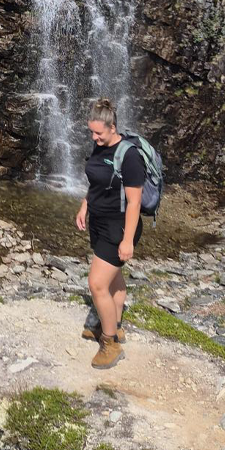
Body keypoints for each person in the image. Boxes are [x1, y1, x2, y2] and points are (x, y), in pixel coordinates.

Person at [74, 98, 145, 369]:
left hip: (120, 226)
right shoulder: (99, 145)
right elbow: (95, 182)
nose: (94, 137)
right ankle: (115, 324)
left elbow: (135, 202)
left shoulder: (129, 156)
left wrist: (127, 240)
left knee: (97, 284)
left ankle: (110, 343)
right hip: (99, 221)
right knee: (113, 279)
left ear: (112, 127)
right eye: (91, 132)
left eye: (98, 133)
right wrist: (85, 205)